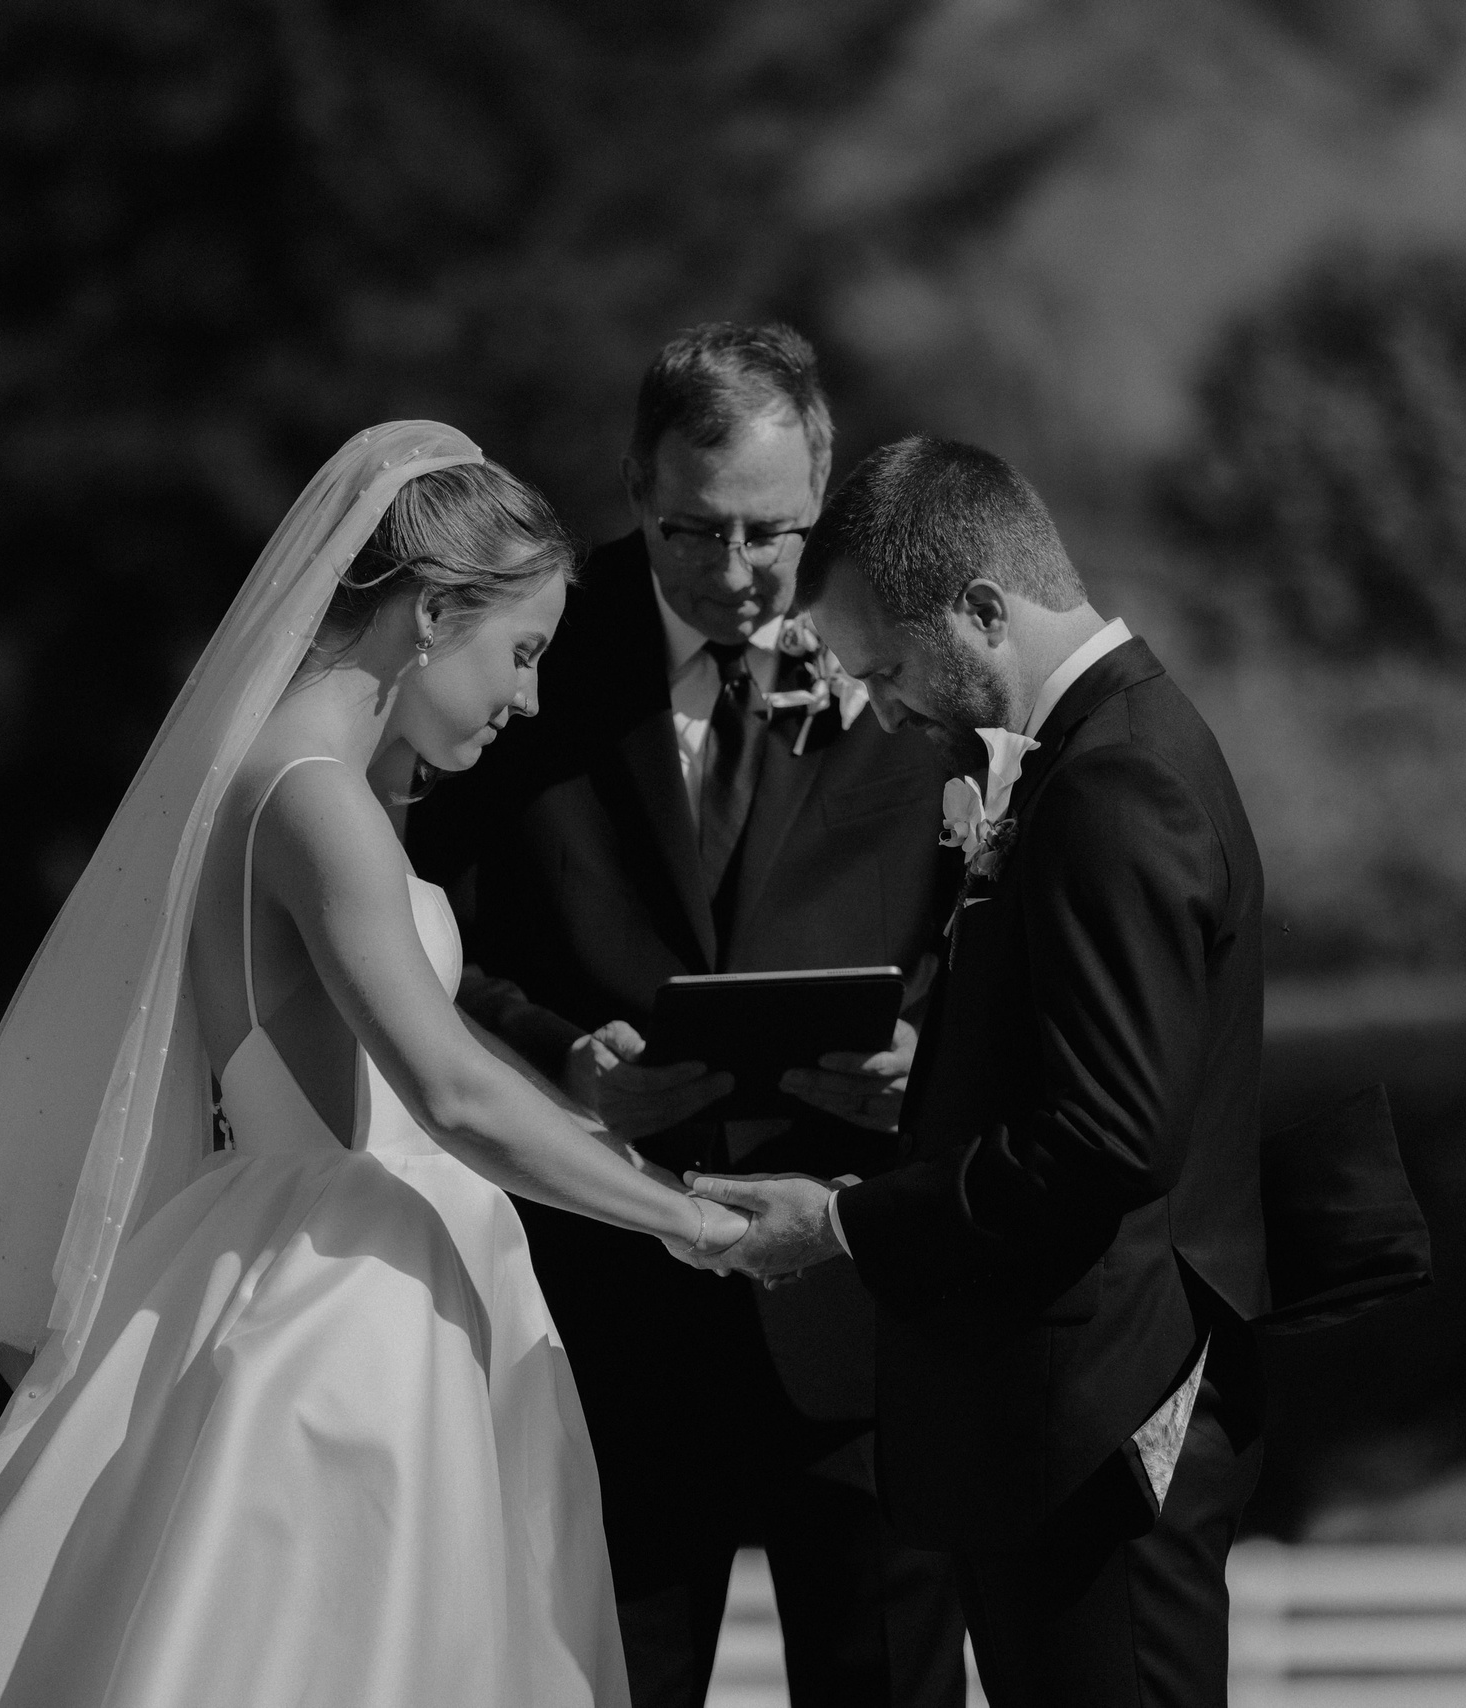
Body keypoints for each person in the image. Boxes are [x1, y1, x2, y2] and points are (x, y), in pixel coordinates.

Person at [0, 422, 746, 1708]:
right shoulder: (314, 803)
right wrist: (689, 1219)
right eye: (521, 652)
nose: (529, 698)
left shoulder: (296, 791)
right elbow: (452, 1093)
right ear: (431, 612)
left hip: (322, 1258)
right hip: (344, 1308)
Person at [408, 325, 968, 1708]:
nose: (730, 574)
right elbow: (427, 932)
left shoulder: (916, 651)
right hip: (607, 1303)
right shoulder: (530, 652)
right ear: (630, 487)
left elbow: (996, 919)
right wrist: (561, 1063)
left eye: (769, 538)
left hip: (861, 1295)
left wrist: (927, 1057)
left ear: (823, 498)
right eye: (687, 532)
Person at [691, 437, 1272, 1708]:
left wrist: (842, 1221)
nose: (885, 710)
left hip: (1102, 1421)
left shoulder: (1115, 784)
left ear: (983, 609)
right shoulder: (1100, 754)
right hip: (1051, 1417)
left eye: (888, 668)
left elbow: (1108, 1139)